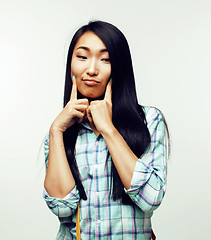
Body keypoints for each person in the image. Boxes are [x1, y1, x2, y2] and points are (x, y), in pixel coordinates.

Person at [43, 20, 169, 240]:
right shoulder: (60, 135)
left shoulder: (149, 120)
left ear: (119, 67)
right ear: (70, 63)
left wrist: (108, 129)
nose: (91, 70)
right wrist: (56, 130)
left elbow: (151, 199)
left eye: (105, 59)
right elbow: (62, 208)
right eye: (82, 57)